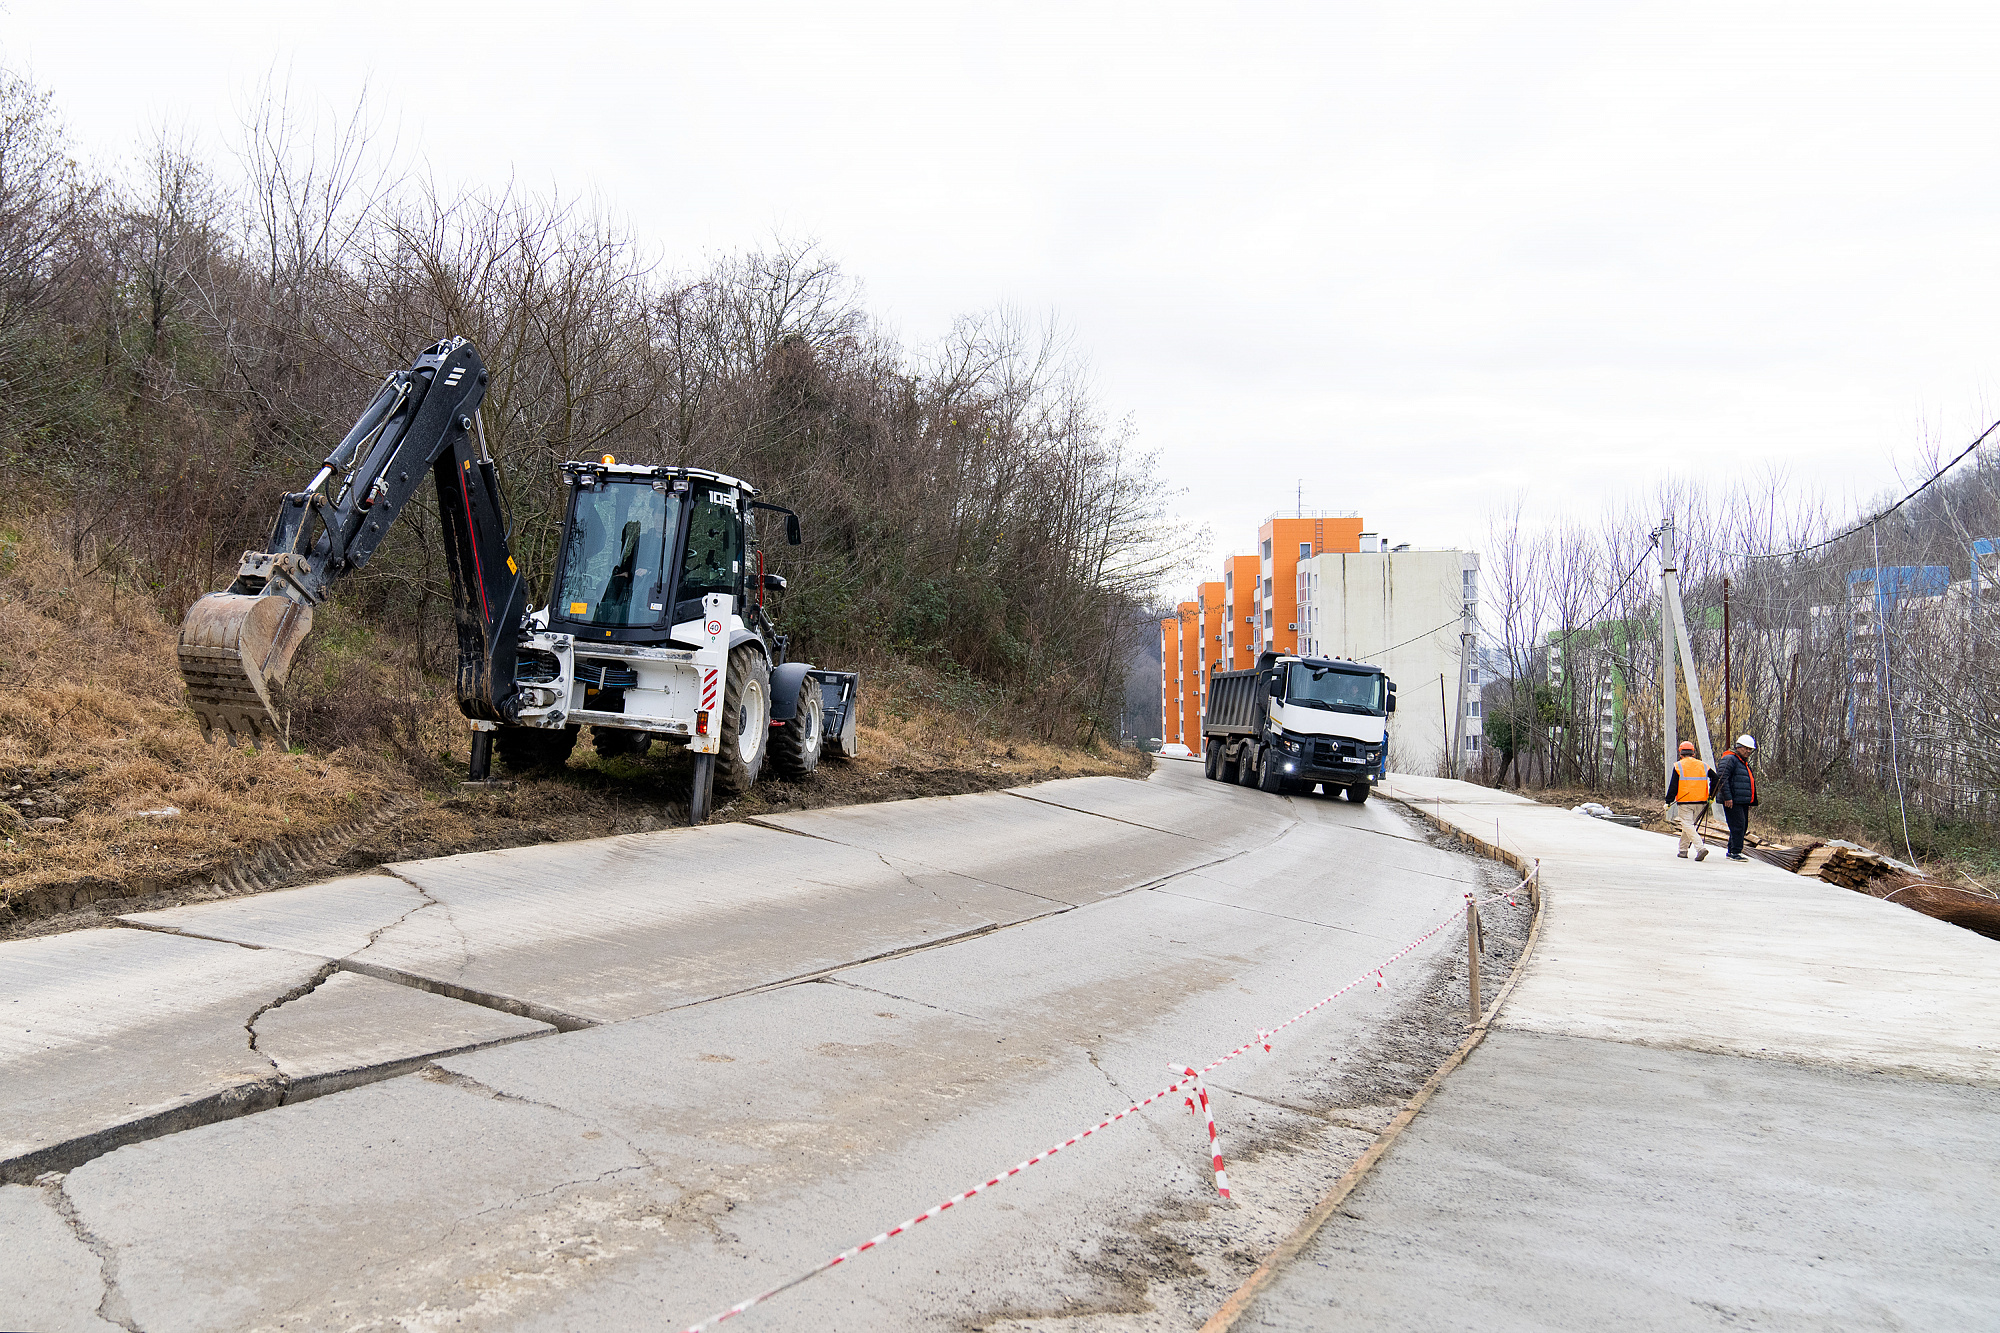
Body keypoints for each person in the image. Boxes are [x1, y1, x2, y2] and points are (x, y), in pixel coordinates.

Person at [1663, 740, 1712, 861]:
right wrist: (1711, 796)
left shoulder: (1679, 765)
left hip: (1685, 802)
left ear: (1681, 754)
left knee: (1688, 825)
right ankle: (1683, 850)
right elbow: (1716, 779)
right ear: (1693, 753)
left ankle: (1700, 848)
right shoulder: (1703, 765)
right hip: (1701, 801)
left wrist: (1668, 801)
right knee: (1688, 826)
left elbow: (1673, 786)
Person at [1716, 735, 1758, 861]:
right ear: (1739, 747)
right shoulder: (1730, 759)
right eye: (1746, 748)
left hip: (1741, 800)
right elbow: (1722, 778)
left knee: (1742, 826)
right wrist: (1727, 797)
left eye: (1751, 749)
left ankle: (1732, 850)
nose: (1748, 751)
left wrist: (1750, 800)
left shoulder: (1742, 761)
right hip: (1732, 800)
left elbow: (1746, 782)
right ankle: (1735, 852)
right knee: (1738, 826)